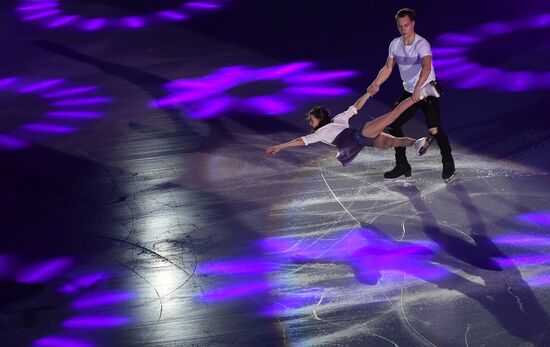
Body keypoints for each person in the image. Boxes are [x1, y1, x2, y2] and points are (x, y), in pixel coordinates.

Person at [367, 8, 455, 182]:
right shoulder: (395, 44)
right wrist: (376, 82)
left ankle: (448, 161)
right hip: (409, 92)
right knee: (392, 124)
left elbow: (427, 66)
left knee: (434, 129)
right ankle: (402, 165)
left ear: (412, 24)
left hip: (426, 91)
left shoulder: (422, 44)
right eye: (400, 26)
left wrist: (418, 88)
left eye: (406, 25)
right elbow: (387, 68)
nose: (403, 29)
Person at [265, 91, 433, 167]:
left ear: (320, 118)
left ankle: (422, 93)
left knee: (394, 114)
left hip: (363, 134)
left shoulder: (327, 127)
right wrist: (280, 146)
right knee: (393, 142)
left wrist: (368, 93)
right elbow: (355, 108)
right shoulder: (327, 128)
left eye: (312, 120)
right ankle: (418, 143)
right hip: (366, 142)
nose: (310, 124)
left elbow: (355, 107)